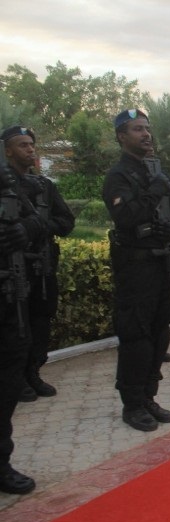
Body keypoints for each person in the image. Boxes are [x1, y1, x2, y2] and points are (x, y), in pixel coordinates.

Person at [103, 109, 170, 431]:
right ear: (122, 136)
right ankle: (132, 403)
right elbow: (127, 218)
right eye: (137, 129)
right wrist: (155, 190)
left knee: (159, 333)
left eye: (147, 128)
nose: (146, 134)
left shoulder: (160, 175)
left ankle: (149, 396)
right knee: (136, 336)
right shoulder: (119, 177)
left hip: (162, 264)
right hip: (135, 268)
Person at [2, 126, 74, 402]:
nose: (30, 149)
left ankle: (33, 373)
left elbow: (66, 222)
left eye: (32, 144)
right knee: (15, 329)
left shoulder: (44, 186)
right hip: (12, 269)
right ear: (7, 151)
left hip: (41, 269)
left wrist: (38, 227)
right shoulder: (4, 186)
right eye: (23, 145)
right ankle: (15, 378)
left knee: (40, 323)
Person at [0, 137, 45, 494]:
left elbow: (40, 221)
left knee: (8, 379)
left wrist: (22, 230)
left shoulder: (8, 184)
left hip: (9, 295)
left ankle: (1, 463)